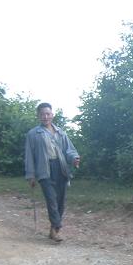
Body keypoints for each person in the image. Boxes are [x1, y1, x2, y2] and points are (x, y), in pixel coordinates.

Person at [24, 102, 81, 242]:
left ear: (52, 115)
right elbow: (29, 156)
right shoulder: (33, 134)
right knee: (51, 200)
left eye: (48, 113)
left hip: (60, 168)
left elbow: (69, 150)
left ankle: (53, 230)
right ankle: (57, 227)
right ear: (38, 116)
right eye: (42, 114)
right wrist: (31, 175)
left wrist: (74, 158)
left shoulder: (60, 132)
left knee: (60, 201)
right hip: (44, 170)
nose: (45, 116)